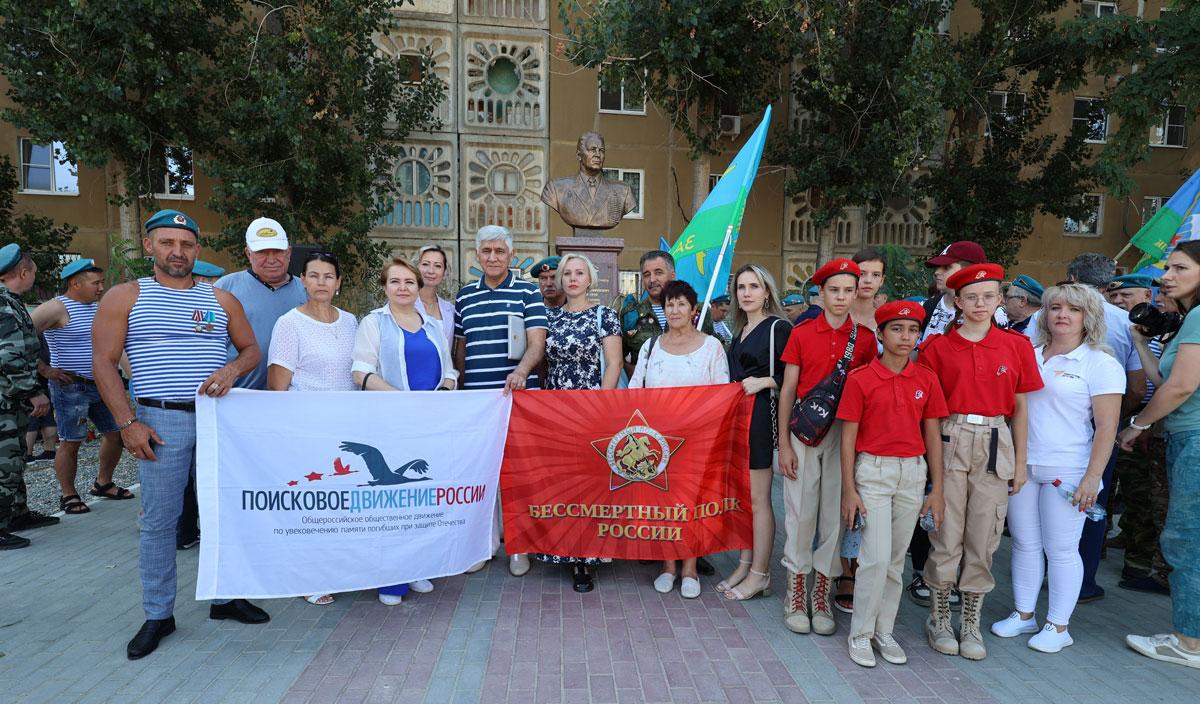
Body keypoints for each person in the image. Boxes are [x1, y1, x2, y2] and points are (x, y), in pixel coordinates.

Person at [93, 210, 269, 660]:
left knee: (222, 513)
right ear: (150, 246)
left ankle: (225, 598)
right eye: (167, 242)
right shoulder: (125, 296)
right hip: (159, 421)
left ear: (197, 249)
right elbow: (103, 364)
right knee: (160, 521)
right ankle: (158, 614)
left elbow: (251, 350)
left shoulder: (220, 299)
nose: (178, 251)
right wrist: (128, 423)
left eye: (186, 244)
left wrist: (231, 369)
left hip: (216, 418)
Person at [916, 263, 1043, 661]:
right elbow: (929, 414)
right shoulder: (936, 347)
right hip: (951, 438)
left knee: (983, 535)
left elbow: (1020, 408)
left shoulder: (1016, 346)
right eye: (971, 297)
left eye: (988, 296)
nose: (980, 304)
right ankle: (939, 616)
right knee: (946, 532)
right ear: (957, 301)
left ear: (999, 300)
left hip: (994, 439)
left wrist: (1020, 463)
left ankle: (970, 619)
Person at [991, 284, 1123, 653]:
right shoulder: (1027, 353)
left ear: (1088, 317)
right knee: (1024, 544)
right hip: (1022, 464)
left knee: (1062, 549)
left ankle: (1058, 625)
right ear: (1044, 313)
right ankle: (1023, 614)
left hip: (1068, 468)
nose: (1063, 315)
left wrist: (1092, 478)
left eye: (1074, 309)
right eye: (1056, 307)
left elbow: (1107, 429)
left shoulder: (1100, 362)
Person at [839, 301, 948, 667]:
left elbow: (932, 435)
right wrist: (849, 490)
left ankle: (884, 629)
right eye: (897, 329)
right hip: (873, 473)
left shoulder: (926, 379)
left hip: (913, 474)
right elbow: (847, 439)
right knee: (874, 557)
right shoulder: (861, 379)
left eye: (913, 330)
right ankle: (860, 633)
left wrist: (938, 490)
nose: (906, 337)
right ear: (882, 335)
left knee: (895, 560)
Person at [776, 259, 876, 636]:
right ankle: (796, 592)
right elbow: (788, 390)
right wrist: (783, 444)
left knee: (835, 516)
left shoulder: (865, 340)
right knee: (800, 514)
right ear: (821, 292)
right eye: (834, 290)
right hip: (802, 433)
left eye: (848, 290)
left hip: (843, 436)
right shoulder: (802, 333)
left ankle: (821, 592)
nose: (841, 297)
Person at [352, 257, 454, 604]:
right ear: (385, 287)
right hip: (389, 423)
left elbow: (450, 372)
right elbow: (360, 372)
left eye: (409, 282)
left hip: (428, 425)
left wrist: (441, 396)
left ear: (418, 286)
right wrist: (402, 401)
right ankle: (390, 579)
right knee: (393, 504)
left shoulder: (432, 326)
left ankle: (416, 569)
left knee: (421, 500)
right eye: (395, 282)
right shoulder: (374, 323)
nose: (403, 288)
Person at [1119, 240, 1200, 669]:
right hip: (1186, 436)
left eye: (1179, 267)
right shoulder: (1190, 319)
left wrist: (1138, 424)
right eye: (1168, 267)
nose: (1166, 276)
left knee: (1185, 540)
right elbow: (1162, 378)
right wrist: (1139, 341)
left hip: (1194, 440)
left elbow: (1181, 388)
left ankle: (1189, 643)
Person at [906, 240, 996, 610]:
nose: (940, 274)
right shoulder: (927, 309)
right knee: (929, 498)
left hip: (973, 427)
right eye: (939, 268)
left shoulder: (995, 319)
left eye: (948, 267)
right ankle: (924, 572)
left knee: (970, 512)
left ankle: (961, 580)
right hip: (924, 418)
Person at [617, 249, 718, 576]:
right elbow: (624, 357)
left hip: (693, 425)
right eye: (646, 274)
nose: (652, 280)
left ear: (671, 275)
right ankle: (659, 548)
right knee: (655, 488)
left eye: (658, 273)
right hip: (653, 414)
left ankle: (693, 553)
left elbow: (710, 361)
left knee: (692, 490)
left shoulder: (701, 317)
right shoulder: (632, 311)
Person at [267, 251, 359, 605]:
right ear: (302, 280)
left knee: (341, 504)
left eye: (328, 276)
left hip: (346, 428)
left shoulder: (351, 322)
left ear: (338, 283)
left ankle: (339, 569)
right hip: (307, 429)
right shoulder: (290, 323)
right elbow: (278, 385)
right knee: (313, 506)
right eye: (314, 276)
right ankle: (309, 576)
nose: (322, 282)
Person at [454, 225, 547, 575]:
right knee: (481, 474)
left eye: (500, 251)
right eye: (486, 251)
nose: (493, 257)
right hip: (478, 402)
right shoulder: (465, 296)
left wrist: (522, 371)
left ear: (510, 254)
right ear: (477, 255)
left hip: (518, 399)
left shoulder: (527, 291)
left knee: (519, 474)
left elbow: (537, 343)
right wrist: (463, 390)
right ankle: (485, 544)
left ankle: (519, 547)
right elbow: (461, 350)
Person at [1054, 253, 1145, 602]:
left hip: (1057, 416)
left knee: (1053, 496)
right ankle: (1084, 582)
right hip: (1105, 417)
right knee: (1092, 501)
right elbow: (1137, 387)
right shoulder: (1127, 322)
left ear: (1072, 277)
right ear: (1108, 285)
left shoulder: (1049, 314)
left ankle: (1051, 574)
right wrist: (1118, 420)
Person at [630, 280, 729, 598]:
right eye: (669, 304)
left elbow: (721, 396)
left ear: (693, 310)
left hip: (698, 441)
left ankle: (690, 569)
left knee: (693, 504)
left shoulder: (712, 347)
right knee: (664, 504)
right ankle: (668, 566)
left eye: (681, 304)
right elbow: (635, 393)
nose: (674, 310)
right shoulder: (650, 347)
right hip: (657, 442)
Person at [538, 253, 622, 592]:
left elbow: (613, 364)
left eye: (579, 273)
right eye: (567, 273)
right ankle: (566, 551)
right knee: (562, 483)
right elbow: (542, 362)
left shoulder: (605, 316)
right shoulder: (549, 317)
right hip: (556, 411)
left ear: (590, 279)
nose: (572, 279)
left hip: (590, 408)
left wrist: (598, 407)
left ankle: (587, 557)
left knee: (590, 483)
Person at [31, 258, 131, 516]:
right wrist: (45, 370)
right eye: (95, 283)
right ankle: (68, 495)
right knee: (71, 441)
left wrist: (132, 379)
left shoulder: (99, 308)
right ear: (75, 283)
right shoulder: (56, 308)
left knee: (115, 433)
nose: (101, 287)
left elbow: (115, 345)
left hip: (102, 383)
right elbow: (21, 336)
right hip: (71, 387)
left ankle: (103, 483)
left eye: (101, 283)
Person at [719, 265, 792, 601]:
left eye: (754, 286)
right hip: (740, 419)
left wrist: (767, 381)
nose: (746, 293)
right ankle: (745, 563)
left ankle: (761, 574)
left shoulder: (779, 328)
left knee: (760, 500)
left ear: (767, 292)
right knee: (745, 499)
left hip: (763, 417)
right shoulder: (739, 333)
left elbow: (799, 379)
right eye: (741, 287)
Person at [1108, 274, 1171, 594]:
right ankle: (1126, 538)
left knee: (1141, 492)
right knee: (1115, 485)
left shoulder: (1165, 328)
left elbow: (1161, 384)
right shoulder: (1127, 327)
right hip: (1123, 417)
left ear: (1148, 293)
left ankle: (1139, 562)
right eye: (1115, 297)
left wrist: (1140, 422)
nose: (1119, 302)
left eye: (1127, 296)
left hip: (1144, 419)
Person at [837, 247, 889, 613]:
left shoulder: (887, 319)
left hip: (875, 424)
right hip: (833, 421)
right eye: (862, 274)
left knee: (867, 499)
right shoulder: (836, 312)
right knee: (840, 495)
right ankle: (843, 571)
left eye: (874, 275)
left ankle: (864, 568)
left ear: (882, 280)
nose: (867, 281)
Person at [0, 244, 58, 550]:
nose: (34, 278)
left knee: (15, 459)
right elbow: (9, 356)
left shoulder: (12, 302)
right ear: (22, 273)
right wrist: (33, 393)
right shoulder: (3, 305)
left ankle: (18, 513)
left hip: (12, 400)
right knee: (5, 463)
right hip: (6, 401)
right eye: (33, 272)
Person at [213, 217, 307, 390]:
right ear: (248, 253)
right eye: (262, 252)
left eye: (278, 251)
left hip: (291, 395)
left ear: (289, 253)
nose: (271, 259)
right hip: (237, 394)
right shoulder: (224, 289)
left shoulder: (307, 290)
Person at [918, 241, 1007, 344]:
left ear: (970, 270)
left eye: (946, 267)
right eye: (938, 267)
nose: (937, 272)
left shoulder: (994, 313)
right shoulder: (926, 307)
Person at [22, 330, 57, 463]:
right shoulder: (45, 332)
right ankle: (50, 451)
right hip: (48, 376)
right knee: (47, 414)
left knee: (32, 416)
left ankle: (27, 454)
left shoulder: (27, 333)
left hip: (34, 378)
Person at [415, 244, 456, 350]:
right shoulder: (403, 304)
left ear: (444, 272)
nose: (431, 271)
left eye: (437, 266)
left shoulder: (450, 310)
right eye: (425, 264)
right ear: (416, 267)